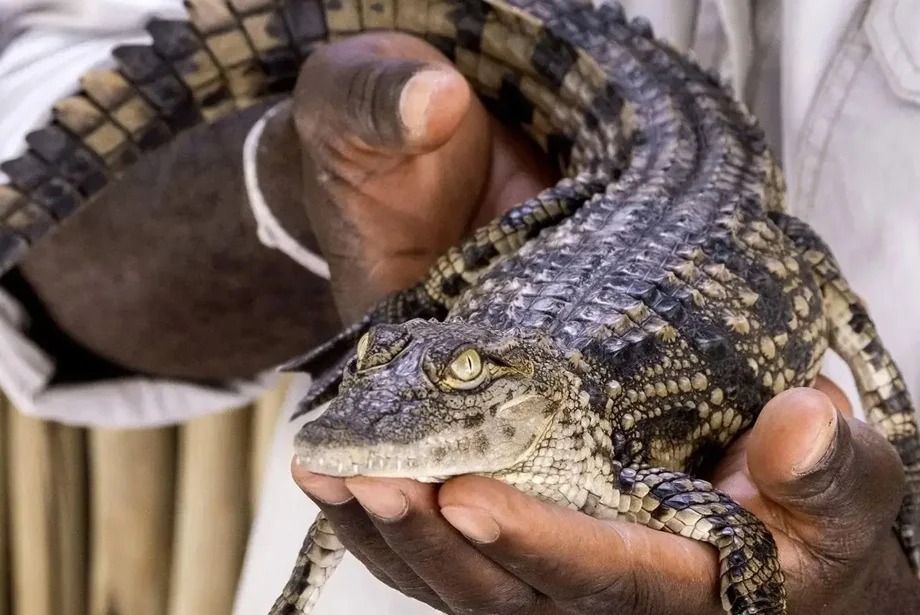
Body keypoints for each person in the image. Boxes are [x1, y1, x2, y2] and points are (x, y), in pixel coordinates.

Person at [0, 2, 917, 614]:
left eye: (460, 375)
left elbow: (737, 538)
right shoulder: (585, 457)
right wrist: (296, 183)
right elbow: (33, 76)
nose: (370, 415)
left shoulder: (626, 474)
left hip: (716, 242)